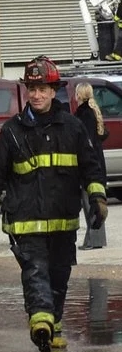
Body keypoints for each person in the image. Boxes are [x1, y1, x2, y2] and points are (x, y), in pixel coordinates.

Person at [0, 56, 107, 352]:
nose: (36, 94)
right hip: (25, 222)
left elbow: (91, 168)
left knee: (59, 275)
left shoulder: (72, 127)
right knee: (35, 272)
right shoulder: (11, 131)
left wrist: (98, 198)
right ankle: (40, 323)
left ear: (53, 91)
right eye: (32, 88)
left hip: (63, 221)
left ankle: (52, 327)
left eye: (42, 89)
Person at [75, 82, 108, 250]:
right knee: (95, 202)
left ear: (80, 94)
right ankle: (95, 240)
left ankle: (94, 240)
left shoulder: (84, 114)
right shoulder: (94, 111)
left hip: (90, 165)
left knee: (91, 204)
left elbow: (85, 141)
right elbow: (102, 134)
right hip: (97, 162)